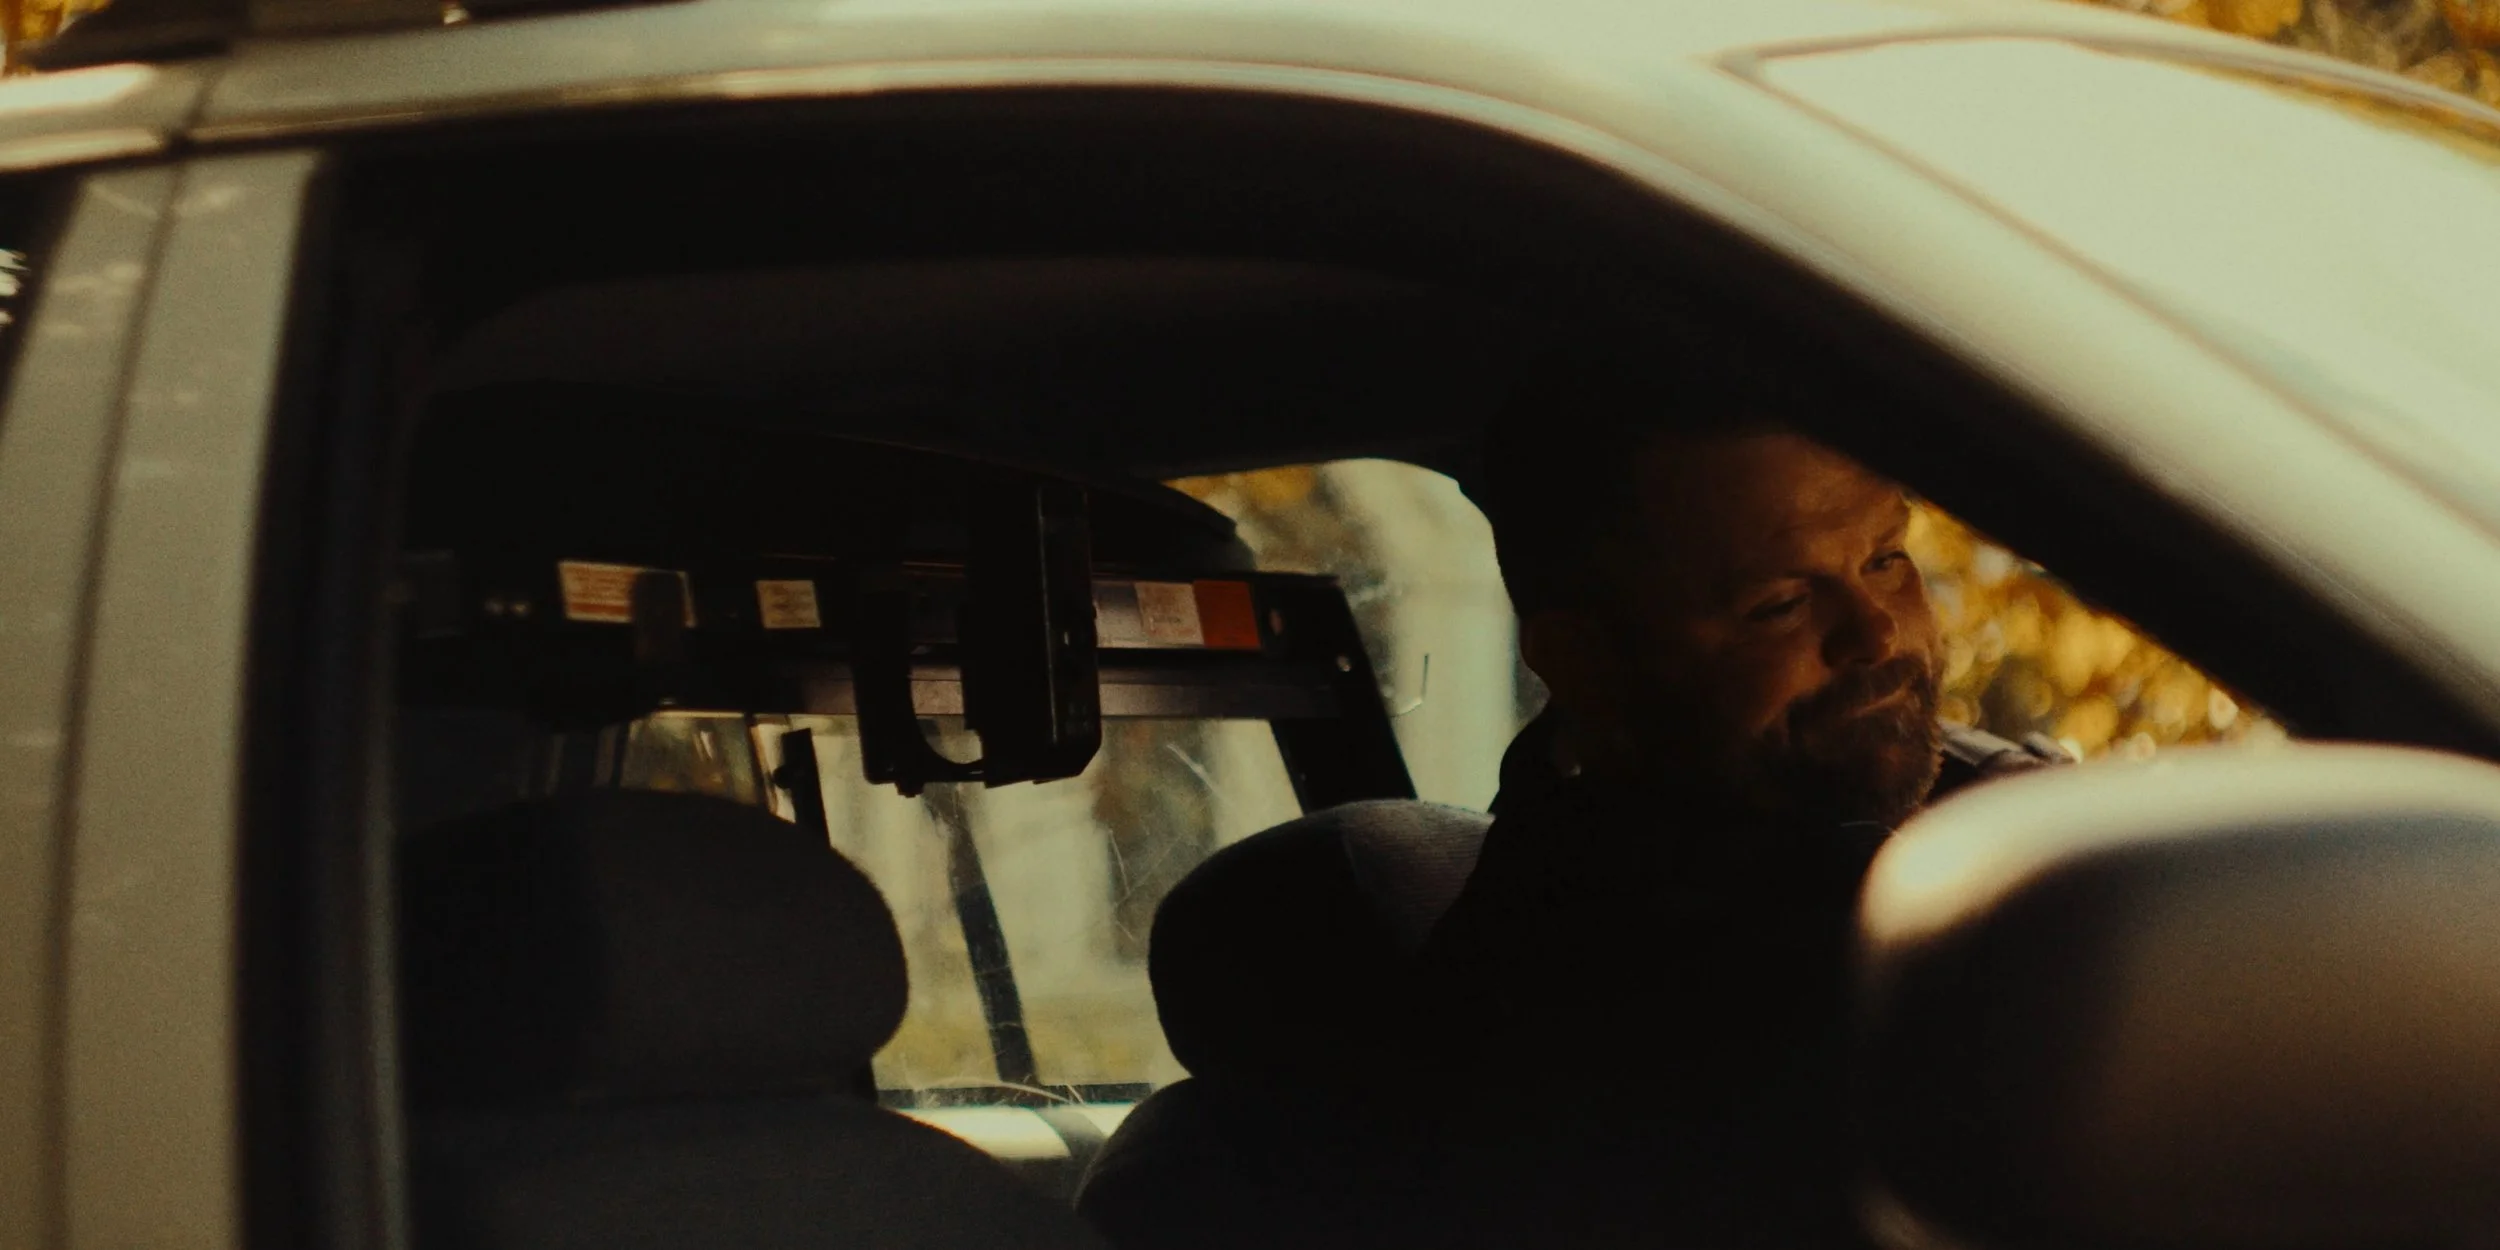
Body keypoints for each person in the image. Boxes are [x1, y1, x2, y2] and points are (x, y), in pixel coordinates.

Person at [1385, 371, 2017, 1247]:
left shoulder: (1942, 813)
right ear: (1585, 661)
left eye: (1886, 558)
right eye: (1779, 606)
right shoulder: (1618, 1023)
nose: (1876, 630)